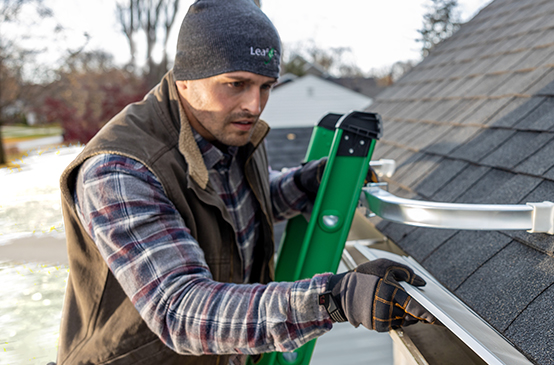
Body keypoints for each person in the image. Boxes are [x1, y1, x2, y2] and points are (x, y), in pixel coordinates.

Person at [55, 0, 433, 363]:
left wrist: (304, 183)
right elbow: (181, 311)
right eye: (236, 84)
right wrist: (334, 298)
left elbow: (234, 204)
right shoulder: (120, 169)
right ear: (186, 79)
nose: (254, 105)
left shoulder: (227, 128)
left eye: (266, 86)